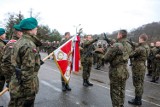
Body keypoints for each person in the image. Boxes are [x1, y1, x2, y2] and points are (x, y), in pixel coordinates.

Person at [9, 17, 42, 107]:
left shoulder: (19, 41)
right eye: (35, 27)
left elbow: (17, 62)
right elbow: (27, 73)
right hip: (23, 91)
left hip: (17, 85)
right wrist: (29, 96)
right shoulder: (29, 45)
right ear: (31, 29)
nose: (37, 29)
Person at [103, 30, 132, 107]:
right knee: (122, 89)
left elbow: (106, 58)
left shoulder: (116, 45)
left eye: (118, 34)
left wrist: (108, 48)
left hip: (116, 71)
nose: (117, 35)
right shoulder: (129, 45)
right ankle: (121, 104)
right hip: (125, 70)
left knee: (115, 91)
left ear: (120, 35)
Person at [1, 24, 23, 107]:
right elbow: (6, 63)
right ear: (18, 32)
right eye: (22, 32)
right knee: (15, 101)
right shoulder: (12, 44)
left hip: (17, 78)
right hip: (13, 79)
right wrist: (9, 80)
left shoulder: (19, 42)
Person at [128, 34, 150, 105]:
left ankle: (137, 100)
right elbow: (137, 44)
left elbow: (130, 55)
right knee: (140, 83)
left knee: (137, 84)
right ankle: (138, 99)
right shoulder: (147, 47)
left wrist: (129, 49)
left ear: (141, 39)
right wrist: (131, 42)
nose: (138, 39)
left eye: (139, 38)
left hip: (137, 67)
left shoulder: (140, 48)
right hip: (143, 66)